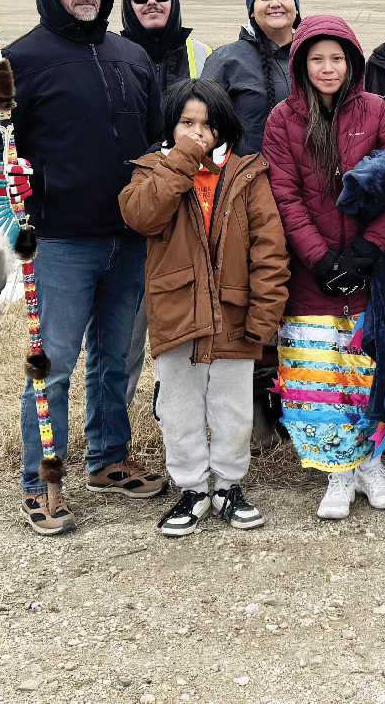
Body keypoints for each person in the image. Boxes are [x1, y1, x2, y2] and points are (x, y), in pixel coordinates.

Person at [0, 0, 168, 536]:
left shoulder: (131, 55)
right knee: (54, 364)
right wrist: (7, 175)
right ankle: (41, 481)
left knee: (119, 358)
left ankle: (108, 459)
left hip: (130, 234)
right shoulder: (19, 62)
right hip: (60, 239)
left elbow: (157, 133)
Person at [119, 79, 292, 536]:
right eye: (187, 123)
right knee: (179, 406)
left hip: (234, 311)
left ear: (225, 128)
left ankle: (229, 485)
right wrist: (179, 161)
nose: (198, 133)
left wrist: (265, 313)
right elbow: (141, 216)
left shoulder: (246, 174)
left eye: (208, 124)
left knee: (232, 407)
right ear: (171, 127)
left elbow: (269, 248)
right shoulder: (152, 170)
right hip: (177, 311)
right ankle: (192, 487)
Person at [262, 16, 385, 519]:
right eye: (317, 58)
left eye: (338, 58)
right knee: (321, 373)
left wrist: (369, 248)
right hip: (313, 274)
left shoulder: (376, 112)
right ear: (301, 63)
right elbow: (284, 194)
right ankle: (337, 472)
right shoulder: (283, 119)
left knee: (367, 370)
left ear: (352, 62)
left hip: (370, 271)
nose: (328, 68)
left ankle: (372, 462)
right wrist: (320, 258)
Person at [118, 0, 213, 406]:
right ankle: (114, 426)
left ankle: (179, 405)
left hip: (194, 207)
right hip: (137, 206)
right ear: (126, 3)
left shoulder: (203, 55)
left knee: (188, 317)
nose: (151, 3)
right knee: (127, 327)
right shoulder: (110, 53)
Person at [202, 0, 302, 155]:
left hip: (307, 179)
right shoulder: (226, 59)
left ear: (296, 8)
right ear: (251, 12)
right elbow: (203, 125)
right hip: (248, 178)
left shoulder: (311, 56)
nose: (275, 3)